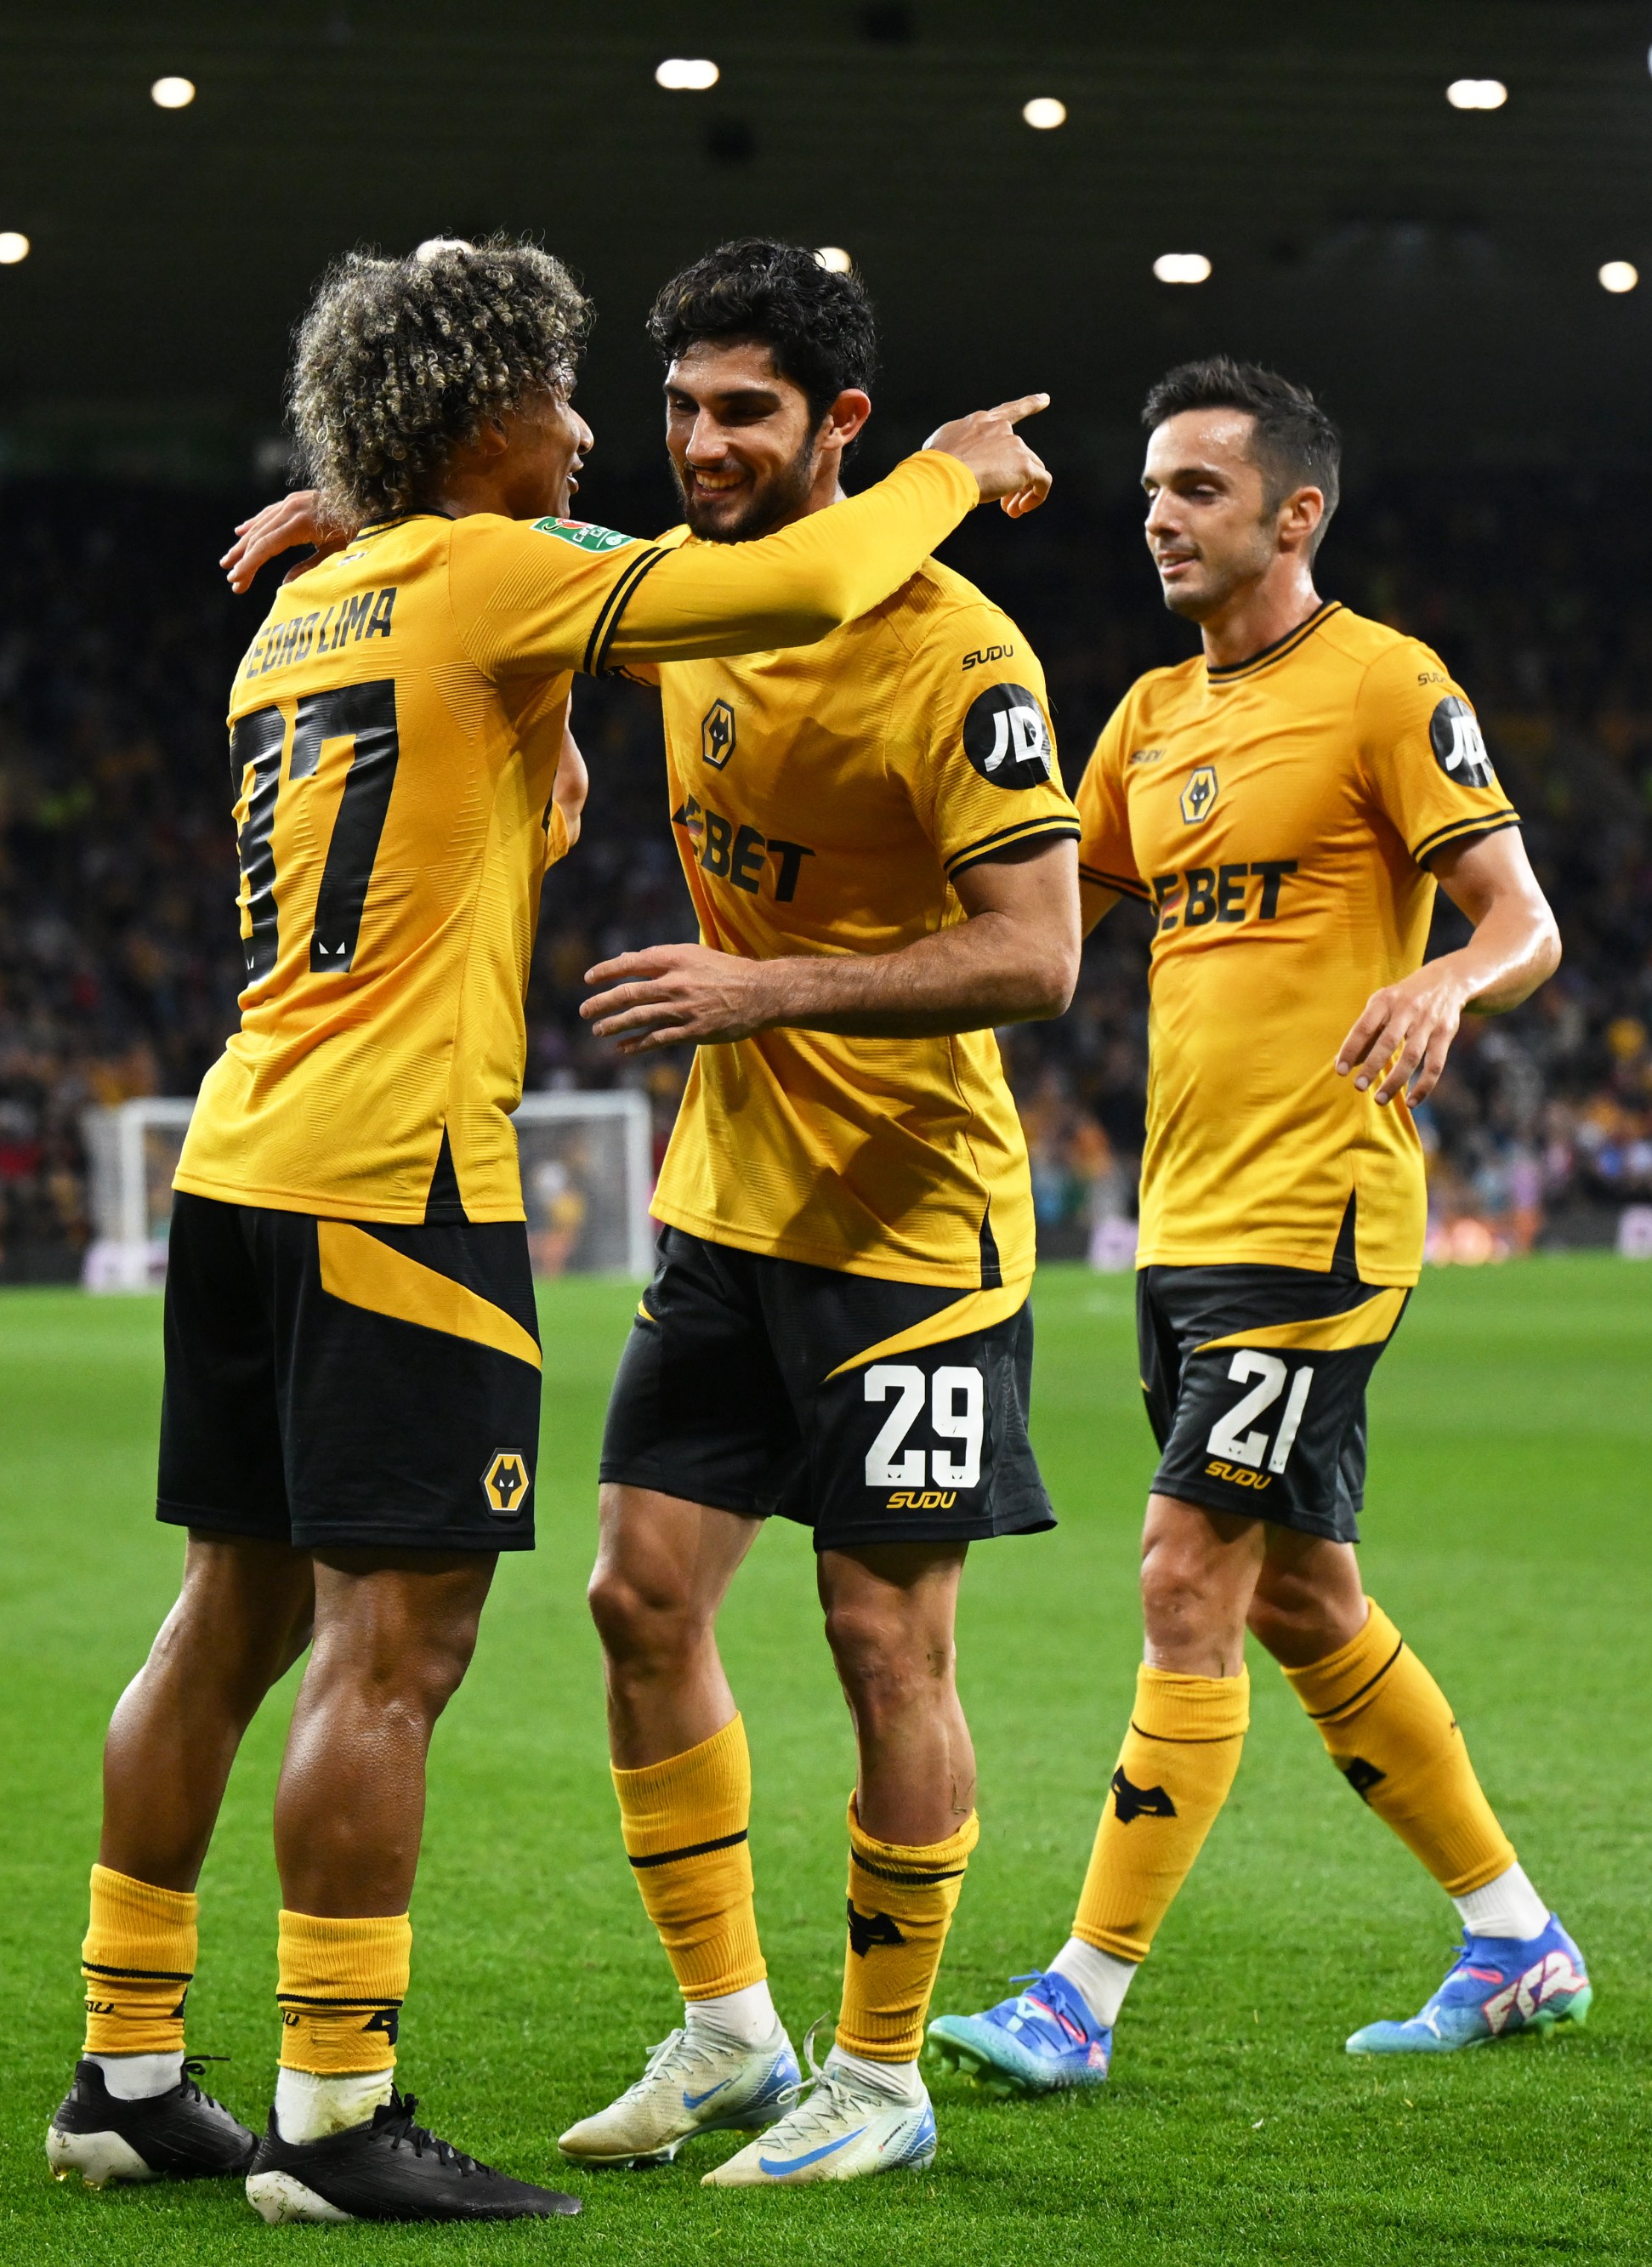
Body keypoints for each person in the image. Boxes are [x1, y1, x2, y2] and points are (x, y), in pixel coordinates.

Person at [48, 233, 1054, 2226]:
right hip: (401, 1179)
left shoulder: (314, 610)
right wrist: (946, 466)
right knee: (394, 1639)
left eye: (690, 406)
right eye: (585, 397)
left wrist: (383, 517)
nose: (616, 433)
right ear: (485, 420)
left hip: (245, 1160)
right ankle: (334, 2112)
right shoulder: (506, 577)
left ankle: (130, 2065)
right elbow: (787, 572)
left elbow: (499, 659)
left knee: (225, 1608)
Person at [928, 358, 1585, 2095]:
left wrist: (1451, 980)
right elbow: (1035, 935)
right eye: (1149, 489)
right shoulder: (1142, 717)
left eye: (1196, 489)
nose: (1156, 513)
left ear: (1296, 512)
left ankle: (1079, 1993)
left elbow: (1523, 917)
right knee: (1302, 1595)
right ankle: (1514, 1935)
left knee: (1182, 1571)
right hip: (1180, 1225)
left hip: (1318, 1212)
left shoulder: (1383, 684)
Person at [552, 241, 1081, 2189]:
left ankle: (880, 2063)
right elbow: (530, 535)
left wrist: (758, 986)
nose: (699, 442)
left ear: (839, 426)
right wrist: (352, 513)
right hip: (730, 1202)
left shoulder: (959, 657)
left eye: (742, 412)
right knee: (636, 1596)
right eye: (681, 405)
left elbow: (1037, 958)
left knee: (882, 1638)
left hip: (913, 1222)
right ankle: (724, 2030)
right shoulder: (692, 596)